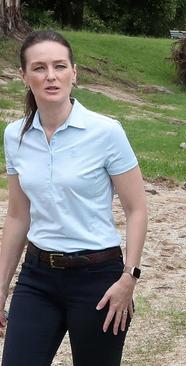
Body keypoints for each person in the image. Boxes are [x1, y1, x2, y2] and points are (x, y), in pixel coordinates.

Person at [0, 30, 147, 365]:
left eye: (59, 66)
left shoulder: (107, 132)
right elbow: (18, 215)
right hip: (37, 276)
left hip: (98, 279)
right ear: (24, 76)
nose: (50, 76)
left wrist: (129, 278)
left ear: (73, 72)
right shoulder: (14, 135)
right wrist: (1, 287)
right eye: (39, 68)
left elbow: (137, 209)